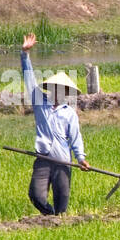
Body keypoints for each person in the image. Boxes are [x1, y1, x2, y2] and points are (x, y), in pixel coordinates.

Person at [20, 33, 89, 215]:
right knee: (36, 195)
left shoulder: (69, 113)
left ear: (67, 92)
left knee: (62, 201)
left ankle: (58, 224)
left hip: (63, 162)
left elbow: (75, 138)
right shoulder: (40, 103)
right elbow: (29, 79)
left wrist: (81, 159)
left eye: (63, 90)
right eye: (55, 88)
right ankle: (50, 218)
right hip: (43, 159)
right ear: (50, 89)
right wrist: (25, 54)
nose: (59, 92)